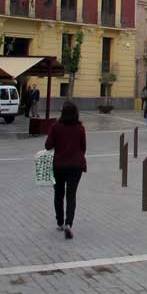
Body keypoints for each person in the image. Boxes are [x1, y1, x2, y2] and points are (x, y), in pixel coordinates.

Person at [45, 101, 87, 240]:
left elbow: (48, 145)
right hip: (76, 165)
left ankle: (60, 222)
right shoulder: (80, 128)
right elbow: (83, 147)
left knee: (58, 194)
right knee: (71, 195)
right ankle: (69, 223)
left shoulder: (56, 127)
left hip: (59, 165)